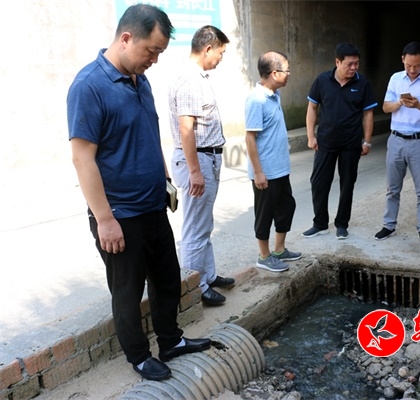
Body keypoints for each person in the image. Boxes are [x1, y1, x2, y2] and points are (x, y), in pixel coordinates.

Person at [67, 4, 211, 382]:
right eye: (151, 51)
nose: (154, 60)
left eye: (160, 52)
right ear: (126, 38)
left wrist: (165, 181)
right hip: (120, 215)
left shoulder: (140, 80)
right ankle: (139, 356)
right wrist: (105, 219)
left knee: (167, 279)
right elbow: (82, 158)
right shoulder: (89, 86)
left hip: (152, 207)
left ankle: (171, 340)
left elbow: (149, 135)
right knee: (127, 291)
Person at [168, 26, 235, 306]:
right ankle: (197, 288)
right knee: (195, 229)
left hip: (206, 158)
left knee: (203, 224)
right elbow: (186, 129)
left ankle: (207, 275)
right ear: (208, 48)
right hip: (198, 160)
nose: (221, 58)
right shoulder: (189, 80)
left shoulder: (197, 78)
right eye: (221, 52)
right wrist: (195, 171)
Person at [302, 43, 378, 240]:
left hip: (351, 144)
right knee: (319, 182)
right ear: (337, 62)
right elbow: (312, 107)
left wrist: (367, 141)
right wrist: (310, 136)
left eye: (356, 64)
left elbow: (368, 114)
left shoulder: (362, 83)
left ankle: (342, 224)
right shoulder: (322, 80)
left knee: (347, 184)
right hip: (325, 142)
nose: (354, 68)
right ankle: (320, 223)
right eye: (349, 64)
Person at [374, 41, 420, 246]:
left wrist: (419, 105)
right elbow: (385, 107)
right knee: (392, 188)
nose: (412, 70)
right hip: (396, 139)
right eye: (408, 65)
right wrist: (399, 103)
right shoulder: (396, 79)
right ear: (402, 60)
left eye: (417, 66)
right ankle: (389, 225)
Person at [245, 51, 302, 272]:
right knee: (264, 214)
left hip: (280, 169)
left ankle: (279, 249)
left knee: (287, 207)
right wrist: (258, 172)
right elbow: (250, 138)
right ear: (274, 73)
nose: (289, 74)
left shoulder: (274, 95)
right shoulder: (256, 100)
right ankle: (264, 256)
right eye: (287, 70)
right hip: (266, 171)